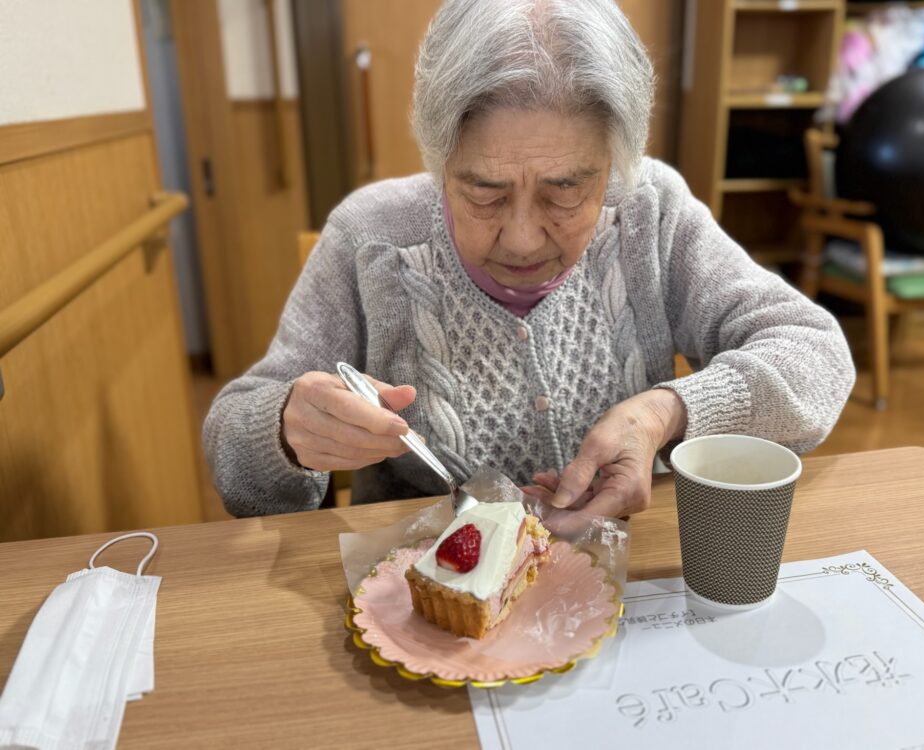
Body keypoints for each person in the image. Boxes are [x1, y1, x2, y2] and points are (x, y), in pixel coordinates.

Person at [204, 0, 855, 519]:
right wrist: (288, 432)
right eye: (483, 192)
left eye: (566, 192)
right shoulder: (370, 238)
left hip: (622, 589)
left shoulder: (650, 212)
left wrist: (664, 413)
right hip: (425, 604)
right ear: (438, 163)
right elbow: (234, 443)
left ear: (614, 172)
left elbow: (816, 353)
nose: (520, 239)